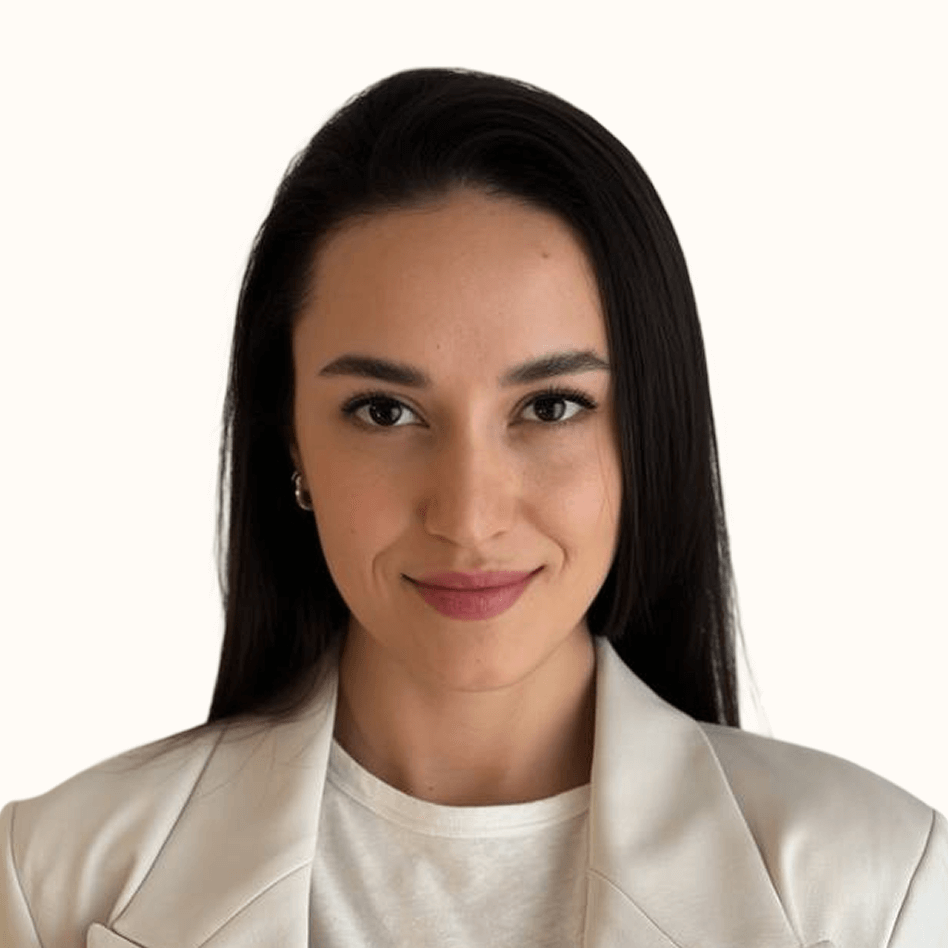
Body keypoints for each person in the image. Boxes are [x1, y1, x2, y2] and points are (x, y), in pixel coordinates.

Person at [1, 67, 945, 948]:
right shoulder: (54, 882)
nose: (468, 514)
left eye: (549, 407)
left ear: (650, 429)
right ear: (290, 441)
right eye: (384, 411)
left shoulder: (877, 888)